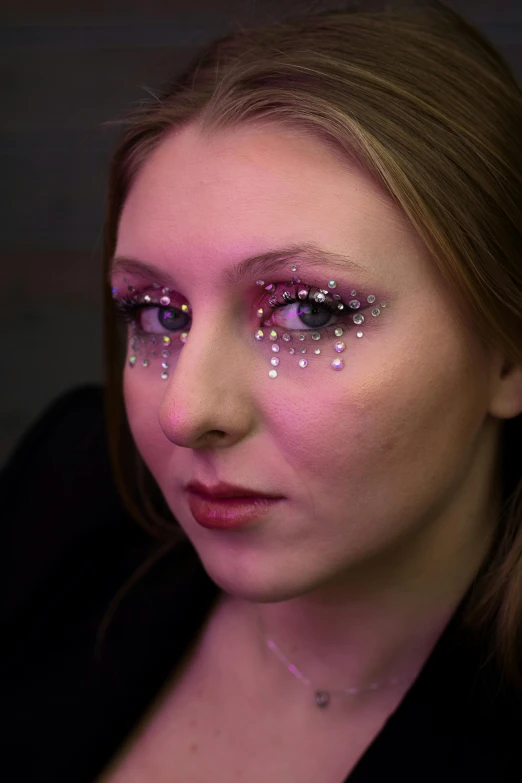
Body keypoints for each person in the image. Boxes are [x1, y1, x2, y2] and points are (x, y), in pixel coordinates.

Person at [3, 1, 522, 780]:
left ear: (508, 356)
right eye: (154, 312)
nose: (187, 412)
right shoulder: (70, 491)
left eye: (307, 312)